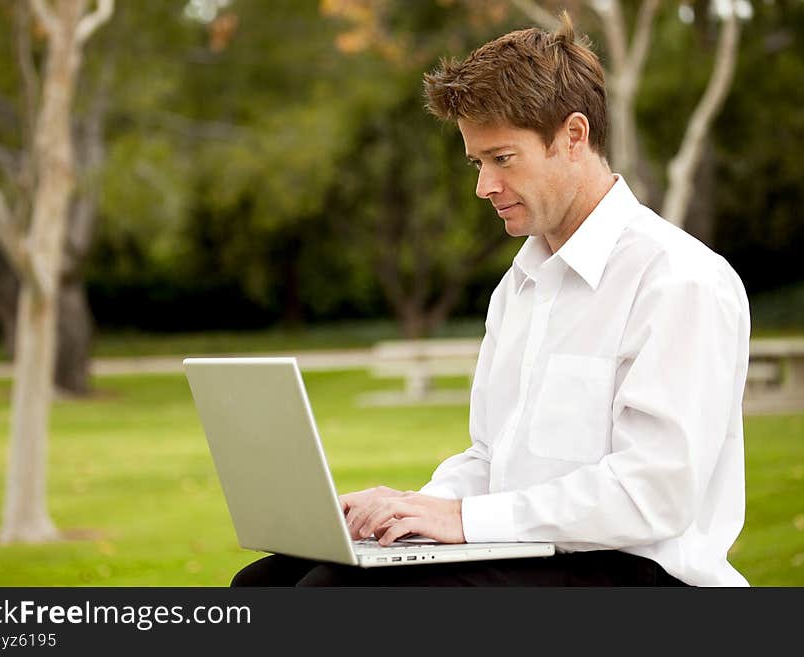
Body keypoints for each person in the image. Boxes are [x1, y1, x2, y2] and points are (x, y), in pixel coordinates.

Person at [232, 11, 750, 587]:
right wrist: (409, 512)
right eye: (478, 163)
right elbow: (491, 459)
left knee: (335, 594)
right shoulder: (520, 286)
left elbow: (654, 493)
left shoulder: (678, 279)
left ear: (573, 137)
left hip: (640, 573)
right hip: (532, 554)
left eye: (503, 159)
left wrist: (463, 519)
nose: (484, 186)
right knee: (265, 584)